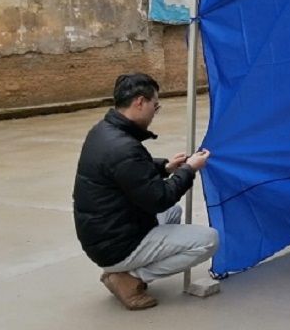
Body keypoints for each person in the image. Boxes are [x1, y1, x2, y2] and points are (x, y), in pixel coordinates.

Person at [73, 73, 218, 310]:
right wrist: (189, 169)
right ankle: (130, 278)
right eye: (155, 106)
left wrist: (166, 167)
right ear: (140, 102)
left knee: (173, 212)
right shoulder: (123, 147)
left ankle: (123, 271)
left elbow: (131, 171)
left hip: (104, 233)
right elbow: (160, 199)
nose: (154, 113)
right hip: (115, 245)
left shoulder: (103, 131)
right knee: (208, 240)